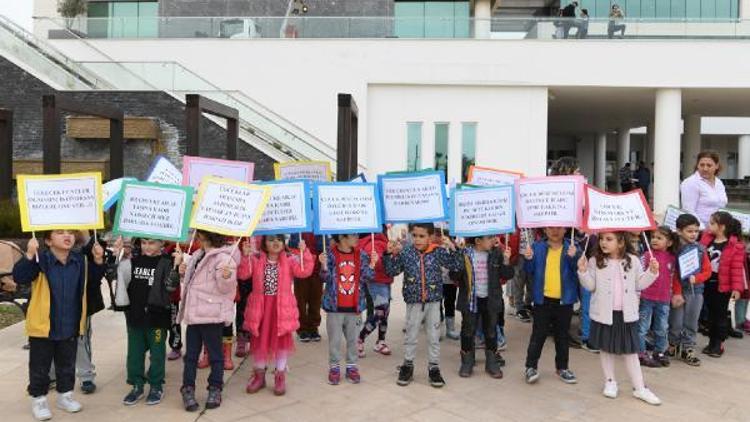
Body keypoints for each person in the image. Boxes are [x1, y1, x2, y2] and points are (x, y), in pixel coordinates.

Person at [13, 230, 105, 421]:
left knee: (67, 364)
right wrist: (29, 255)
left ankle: (66, 396)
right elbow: (20, 277)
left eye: (71, 233)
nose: (67, 236)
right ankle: (38, 399)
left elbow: (92, 282)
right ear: (48, 240)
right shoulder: (41, 260)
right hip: (43, 324)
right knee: (40, 366)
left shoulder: (80, 260)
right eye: (60, 233)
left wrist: (98, 260)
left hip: (70, 323)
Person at [578, 232, 662, 405]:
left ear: (621, 242)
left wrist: (652, 272)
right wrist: (583, 271)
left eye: (609, 239)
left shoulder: (633, 260)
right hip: (603, 313)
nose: (603, 243)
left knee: (630, 352)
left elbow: (640, 284)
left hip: (627, 314)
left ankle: (640, 388)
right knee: (606, 349)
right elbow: (590, 286)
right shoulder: (595, 261)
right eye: (601, 239)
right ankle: (610, 381)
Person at [383, 223, 462, 388]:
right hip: (414, 301)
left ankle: (434, 367)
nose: (417, 239)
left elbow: (456, 265)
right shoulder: (406, 253)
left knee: (434, 336)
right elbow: (392, 271)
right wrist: (389, 254)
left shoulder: (438, 251)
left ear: (431, 236)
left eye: (422, 236)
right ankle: (408, 365)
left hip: (433, 302)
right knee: (411, 335)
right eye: (415, 235)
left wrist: (454, 248)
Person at [241, 234, 312, 395]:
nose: (275, 243)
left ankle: (280, 375)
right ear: (264, 242)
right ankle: (259, 375)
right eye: (271, 239)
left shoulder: (290, 259)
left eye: (279, 240)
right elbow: (244, 274)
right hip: (261, 309)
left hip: (281, 309)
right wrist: (246, 256)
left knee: (281, 343)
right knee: (260, 342)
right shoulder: (257, 259)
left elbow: (304, 271)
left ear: (284, 242)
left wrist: (304, 252)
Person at [175, 230, 237, 412]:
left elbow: (225, 287)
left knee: (216, 356)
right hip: (194, 316)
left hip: (211, 316)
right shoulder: (197, 255)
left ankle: (215, 388)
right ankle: (187, 388)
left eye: (201, 236)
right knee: (191, 356)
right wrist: (182, 272)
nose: (198, 238)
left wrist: (226, 276)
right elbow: (189, 282)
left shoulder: (225, 258)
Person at [113, 237, 177, 406]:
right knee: (134, 354)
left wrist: (178, 267)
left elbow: (172, 287)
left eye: (152, 242)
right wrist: (117, 256)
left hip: (157, 318)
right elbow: (116, 277)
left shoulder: (168, 262)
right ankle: (137, 385)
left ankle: (156, 385)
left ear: (162, 244)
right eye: (144, 242)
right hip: (136, 317)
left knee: (157, 354)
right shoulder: (132, 262)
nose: (147, 246)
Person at [522, 227, 581, 385]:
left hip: (565, 301)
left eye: (559, 227)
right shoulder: (537, 246)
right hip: (542, 300)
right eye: (550, 227)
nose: (555, 231)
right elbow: (529, 271)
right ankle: (530, 366)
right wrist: (528, 259)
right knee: (538, 335)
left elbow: (579, 271)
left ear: (566, 228)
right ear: (545, 229)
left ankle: (562, 367)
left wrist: (573, 257)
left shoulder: (573, 247)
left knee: (562, 336)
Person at [452, 236, 514, 379]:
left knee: (491, 331)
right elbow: (454, 275)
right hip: (470, 300)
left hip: (490, 299)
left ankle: (491, 362)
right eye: (489, 238)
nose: (493, 240)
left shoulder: (497, 253)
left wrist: (506, 259)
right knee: (468, 330)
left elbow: (507, 274)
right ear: (478, 241)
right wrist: (456, 258)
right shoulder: (464, 253)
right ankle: (467, 360)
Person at [320, 234, 376, 385]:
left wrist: (372, 264)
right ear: (342, 237)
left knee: (353, 340)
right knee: (335, 341)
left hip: (354, 307)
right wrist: (324, 265)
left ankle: (352, 367)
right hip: (334, 307)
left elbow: (367, 277)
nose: (357, 237)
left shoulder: (361, 255)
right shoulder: (330, 254)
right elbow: (324, 278)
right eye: (353, 235)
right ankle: (334, 367)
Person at [699, 211, 746, 357]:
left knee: (719, 315)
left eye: (712, 223)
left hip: (722, 286)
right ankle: (711, 342)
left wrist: (737, 289)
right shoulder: (706, 240)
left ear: (722, 227)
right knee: (709, 315)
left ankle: (718, 343)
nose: (709, 225)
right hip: (706, 283)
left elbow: (737, 269)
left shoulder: (735, 246)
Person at [669, 214, 712, 367]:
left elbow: (708, 270)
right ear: (679, 231)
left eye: (696, 231)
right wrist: (677, 292)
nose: (694, 234)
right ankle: (673, 345)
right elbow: (674, 274)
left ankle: (688, 349)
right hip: (678, 291)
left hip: (696, 291)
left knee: (691, 322)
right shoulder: (674, 249)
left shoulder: (701, 249)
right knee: (676, 321)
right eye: (689, 231)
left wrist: (698, 278)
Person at [638, 227, 678, 368]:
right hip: (646, 297)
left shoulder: (672, 258)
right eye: (653, 236)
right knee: (642, 327)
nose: (654, 239)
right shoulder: (646, 255)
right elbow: (639, 275)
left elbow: (674, 277)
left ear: (669, 242)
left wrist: (675, 294)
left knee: (661, 327)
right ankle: (641, 353)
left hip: (664, 299)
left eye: (659, 238)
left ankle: (659, 352)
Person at [358, 229, 395, 356]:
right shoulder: (371, 243)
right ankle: (360, 338)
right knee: (381, 312)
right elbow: (376, 264)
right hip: (376, 281)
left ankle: (381, 341)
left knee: (385, 312)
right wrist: (387, 253)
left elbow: (392, 263)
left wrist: (394, 253)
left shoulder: (383, 241)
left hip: (386, 280)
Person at [680, 151, 728, 228]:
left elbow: (722, 206)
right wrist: (703, 229)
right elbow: (689, 211)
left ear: (717, 166)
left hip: (718, 230)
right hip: (700, 231)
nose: (705, 168)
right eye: (702, 165)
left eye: (709, 165)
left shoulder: (719, 182)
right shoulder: (691, 182)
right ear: (697, 166)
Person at [293, 233, 324, 343]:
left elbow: (325, 245)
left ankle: (313, 327)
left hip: (317, 268)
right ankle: (302, 329)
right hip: (301, 267)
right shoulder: (298, 225)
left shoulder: (318, 224)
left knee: (315, 300)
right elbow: (291, 244)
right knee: (300, 300)